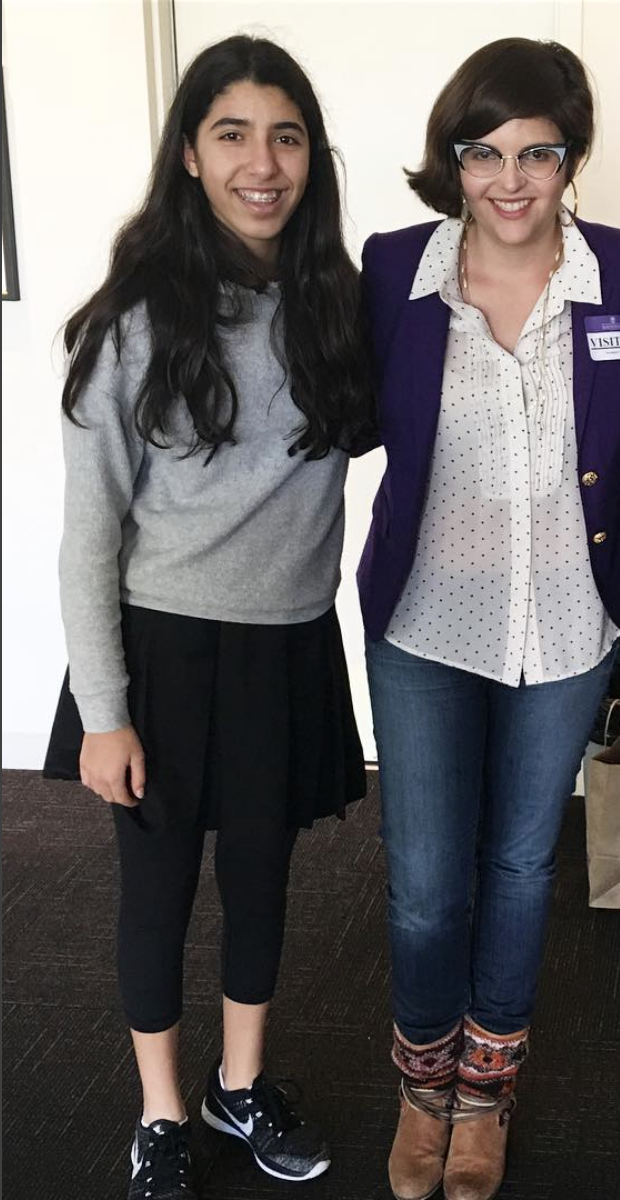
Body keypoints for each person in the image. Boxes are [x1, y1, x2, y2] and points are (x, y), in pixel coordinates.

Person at [43, 35, 373, 1200]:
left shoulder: (338, 304)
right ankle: (163, 1114)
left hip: (288, 645)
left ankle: (239, 1089)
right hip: (163, 649)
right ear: (189, 152)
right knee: (157, 890)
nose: (261, 161)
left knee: (266, 887)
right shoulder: (137, 318)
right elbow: (89, 532)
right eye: (231, 133)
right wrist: (106, 711)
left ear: (311, 156)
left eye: (285, 135)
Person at [357, 37, 620, 1200]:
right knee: (429, 878)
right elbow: (332, 407)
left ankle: (486, 1092)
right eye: (484, 152)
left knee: (523, 863)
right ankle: (421, 1086)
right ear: (454, 159)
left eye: (539, 151)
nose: (511, 179)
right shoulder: (396, 269)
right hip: (427, 621)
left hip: (567, 626)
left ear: (571, 157)